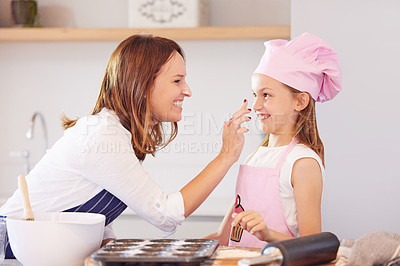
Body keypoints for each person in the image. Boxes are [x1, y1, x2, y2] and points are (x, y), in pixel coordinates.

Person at [0, 34, 251, 258]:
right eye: (177, 81)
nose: (187, 91)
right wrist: (226, 156)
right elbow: (166, 214)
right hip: (14, 247)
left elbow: (86, 204)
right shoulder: (102, 135)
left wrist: (107, 240)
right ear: (142, 84)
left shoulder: (116, 133)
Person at [207, 32, 342, 248]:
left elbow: (312, 247)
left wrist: (267, 234)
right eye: (254, 95)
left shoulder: (303, 163)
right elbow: (224, 237)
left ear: (300, 101)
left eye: (266, 95)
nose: (257, 105)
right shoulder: (255, 157)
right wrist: (171, 252)